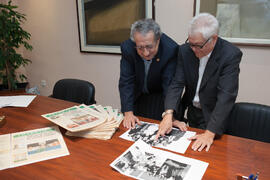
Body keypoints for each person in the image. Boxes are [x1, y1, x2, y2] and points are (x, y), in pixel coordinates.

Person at [156, 13, 242, 151]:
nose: (193, 49)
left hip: (214, 116)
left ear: (213, 39)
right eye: (191, 44)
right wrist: (168, 114)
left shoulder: (230, 55)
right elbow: (177, 83)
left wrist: (209, 133)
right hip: (192, 111)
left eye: (198, 46)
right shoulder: (185, 51)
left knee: (210, 155)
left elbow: (226, 97)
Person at [119, 19, 178, 129]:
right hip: (137, 95)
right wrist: (128, 112)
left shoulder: (170, 49)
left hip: (159, 97)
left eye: (150, 47)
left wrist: (169, 115)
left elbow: (169, 85)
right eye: (140, 48)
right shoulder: (128, 47)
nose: (145, 53)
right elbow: (126, 81)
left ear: (158, 40)